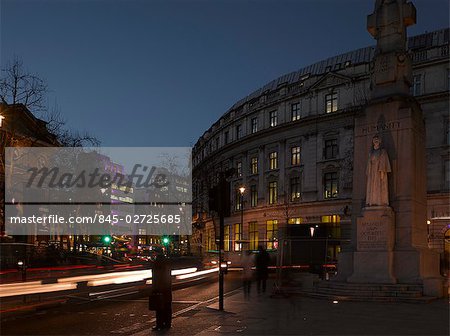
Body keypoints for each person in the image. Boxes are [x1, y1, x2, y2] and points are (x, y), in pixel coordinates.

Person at [366, 134, 391, 206]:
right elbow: (369, 164)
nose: (376, 140)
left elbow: (384, 162)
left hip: (379, 171)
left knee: (379, 186)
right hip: (372, 172)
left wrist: (382, 171)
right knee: (372, 187)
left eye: (377, 139)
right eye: (374, 139)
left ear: (380, 141)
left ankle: (380, 201)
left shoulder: (383, 151)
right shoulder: (371, 153)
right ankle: (372, 201)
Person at [150, 253, 172, 331]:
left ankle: (160, 324)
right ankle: (167, 324)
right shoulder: (167, 263)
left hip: (159, 289)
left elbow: (156, 278)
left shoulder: (156, 264)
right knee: (167, 307)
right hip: (167, 289)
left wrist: (154, 289)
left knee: (159, 308)